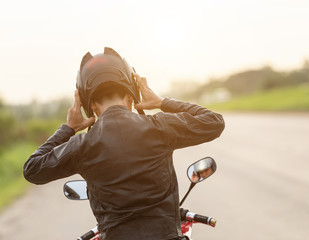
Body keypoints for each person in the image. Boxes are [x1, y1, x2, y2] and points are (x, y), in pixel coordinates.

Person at [23, 47, 225, 240]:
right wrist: (161, 102)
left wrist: (68, 129)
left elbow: (32, 170)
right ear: (131, 97)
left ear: (90, 106)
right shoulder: (159, 126)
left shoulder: (81, 145)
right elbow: (214, 122)